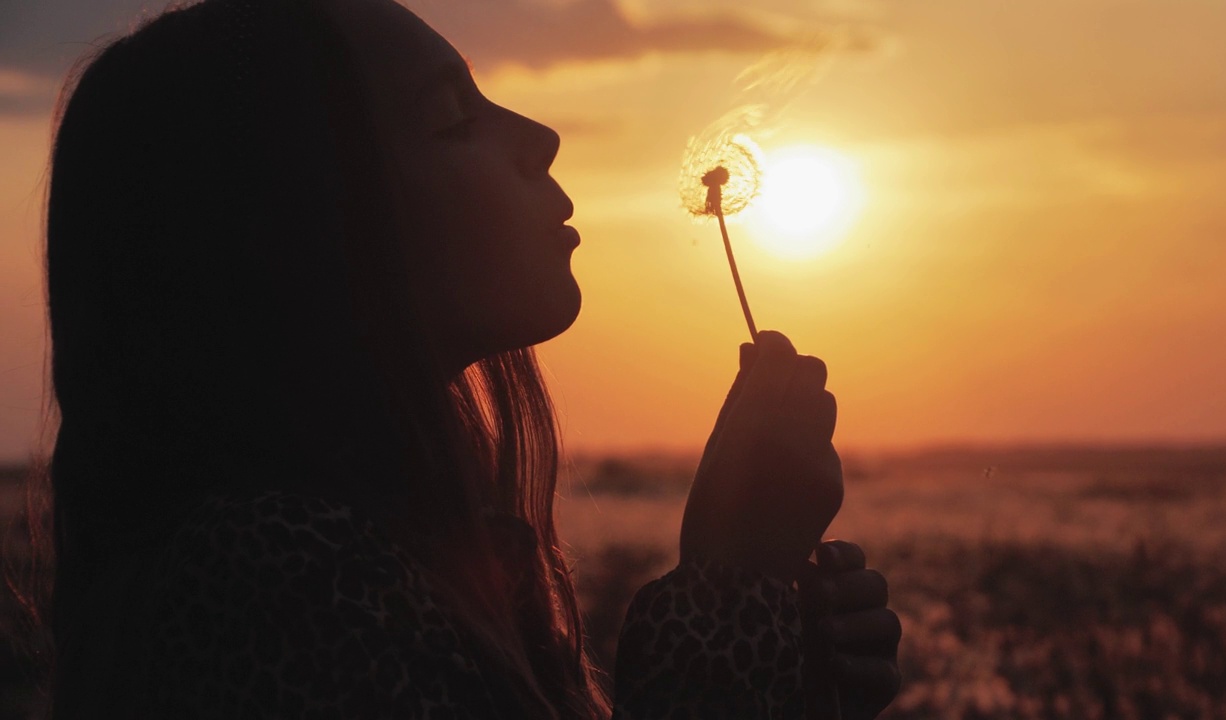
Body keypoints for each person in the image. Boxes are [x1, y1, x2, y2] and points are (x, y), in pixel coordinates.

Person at [31, 0, 901, 717]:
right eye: (454, 120)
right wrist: (729, 588)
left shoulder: (405, 562)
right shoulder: (266, 576)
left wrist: (794, 688)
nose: (540, 135)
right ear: (313, 231)